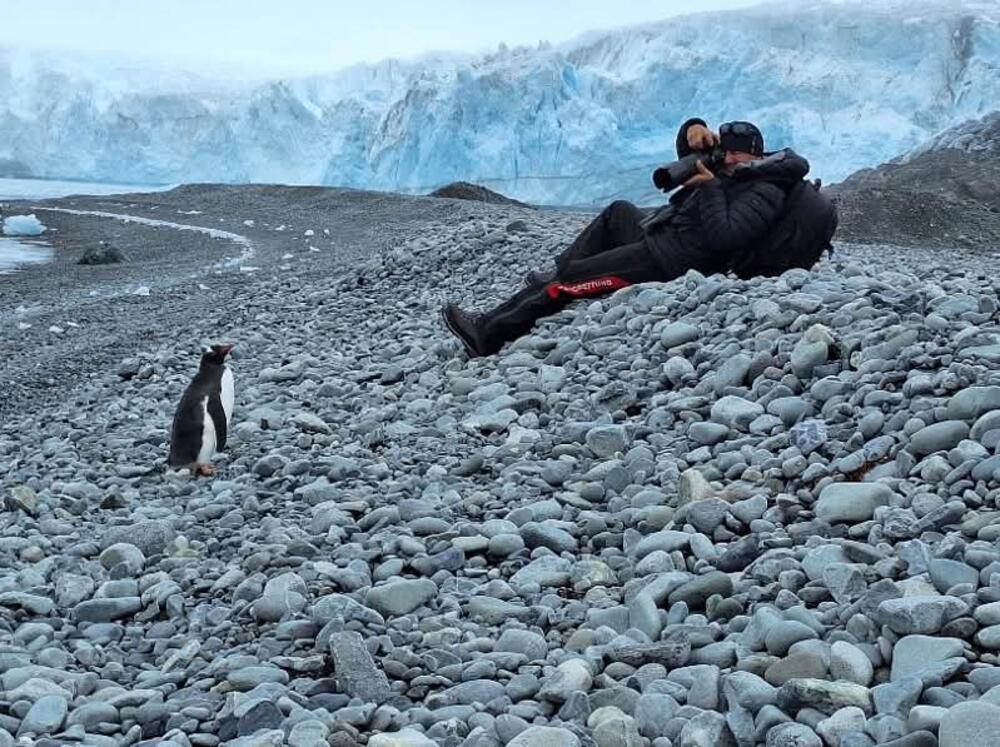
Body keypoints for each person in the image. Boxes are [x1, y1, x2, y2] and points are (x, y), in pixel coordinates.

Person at [441, 119, 812, 358]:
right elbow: (686, 161)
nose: (727, 158)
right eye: (724, 152)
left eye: (735, 154)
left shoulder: (766, 188)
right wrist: (693, 129)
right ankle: (551, 275)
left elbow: (725, 237)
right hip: (665, 235)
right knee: (619, 212)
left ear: (755, 154)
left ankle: (487, 333)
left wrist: (711, 187)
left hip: (672, 261)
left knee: (572, 280)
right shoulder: (739, 172)